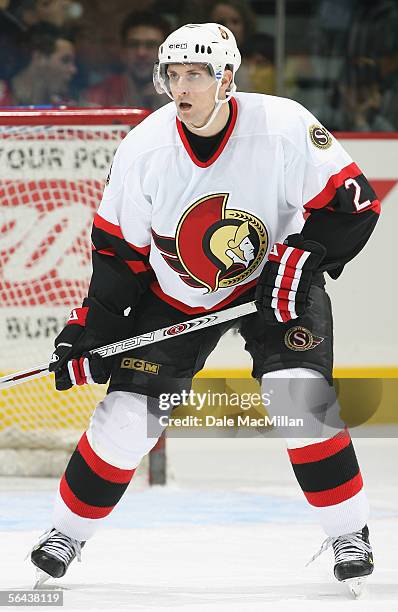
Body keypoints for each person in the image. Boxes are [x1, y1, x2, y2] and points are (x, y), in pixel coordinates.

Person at [30, 23, 378, 596]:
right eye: (173, 74)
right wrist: (89, 331)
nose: (182, 87)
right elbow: (118, 254)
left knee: (297, 396)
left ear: (228, 79)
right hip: (176, 295)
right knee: (125, 421)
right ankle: (66, 533)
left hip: (275, 283)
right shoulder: (145, 147)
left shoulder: (283, 125)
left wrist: (299, 263)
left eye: (196, 74)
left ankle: (349, 534)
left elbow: (354, 206)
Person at [83, 10, 170, 110]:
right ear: (123, 51)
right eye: (133, 45)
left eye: (151, 45)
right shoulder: (97, 97)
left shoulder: (180, 95)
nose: (141, 53)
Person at [9, 22, 76, 105]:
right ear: (39, 57)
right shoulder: (3, 100)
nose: (73, 70)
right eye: (65, 60)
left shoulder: (63, 106)